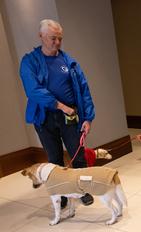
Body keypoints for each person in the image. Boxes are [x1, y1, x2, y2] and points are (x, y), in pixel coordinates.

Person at [19, 19, 95, 207]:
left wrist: (87, 118)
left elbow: (84, 90)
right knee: (54, 159)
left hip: (70, 116)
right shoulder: (30, 61)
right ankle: (60, 195)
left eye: (60, 38)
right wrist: (60, 106)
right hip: (45, 117)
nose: (58, 43)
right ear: (41, 37)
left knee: (78, 155)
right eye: (53, 38)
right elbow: (33, 90)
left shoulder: (69, 62)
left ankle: (84, 190)